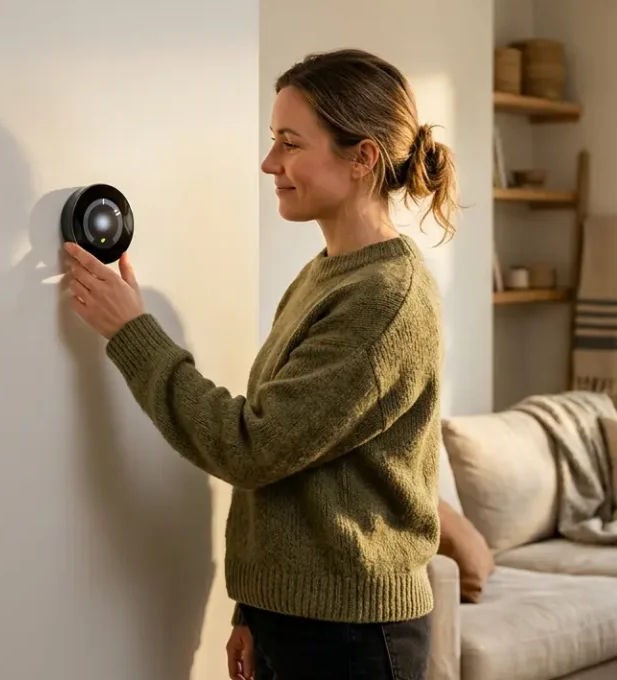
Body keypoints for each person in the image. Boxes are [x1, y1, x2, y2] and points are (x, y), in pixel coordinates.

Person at [62, 48, 456, 680]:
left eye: (289, 143)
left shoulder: (386, 299)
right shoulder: (324, 276)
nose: (269, 163)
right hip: (295, 622)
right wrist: (255, 611)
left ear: (362, 158)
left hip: (353, 639)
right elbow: (293, 465)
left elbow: (252, 445)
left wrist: (132, 334)